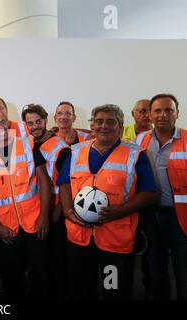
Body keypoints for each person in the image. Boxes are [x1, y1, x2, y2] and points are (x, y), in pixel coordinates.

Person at [58, 104, 157, 299]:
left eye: (110, 121)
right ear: (92, 126)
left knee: (113, 289)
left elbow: (148, 192)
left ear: (120, 126)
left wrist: (121, 210)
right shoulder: (75, 152)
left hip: (114, 239)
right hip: (79, 236)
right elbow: (64, 184)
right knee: (82, 287)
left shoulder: (136, 154)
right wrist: (68, 210)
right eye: (99, 121)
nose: (104, 126)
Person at [0, 111, 51, 299]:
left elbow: (44, 181)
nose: (1, 127)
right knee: (11, 278)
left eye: (3, 122)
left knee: (40, 274)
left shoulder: (27, 145)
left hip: (34, 223)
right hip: (6, 228)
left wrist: (44, 217)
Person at [134, 93, 187, 300]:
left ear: (177, 113)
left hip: (181, 218)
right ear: (150, 114)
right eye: (158, 110)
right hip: (150, 216)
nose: (163, 115)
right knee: (156, 271)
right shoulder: (140, 140)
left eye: (168, 110)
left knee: (183, 271)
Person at [21, 103, 71, 299]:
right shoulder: (27, 144)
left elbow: (69, 184)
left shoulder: (61, 149)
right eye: (30, 123)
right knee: (39, 261)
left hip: (54, 212)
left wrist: (57, 211)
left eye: (38, 121)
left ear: (46, 120)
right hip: (35, 211)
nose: (35, 126)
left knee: (56, 259)